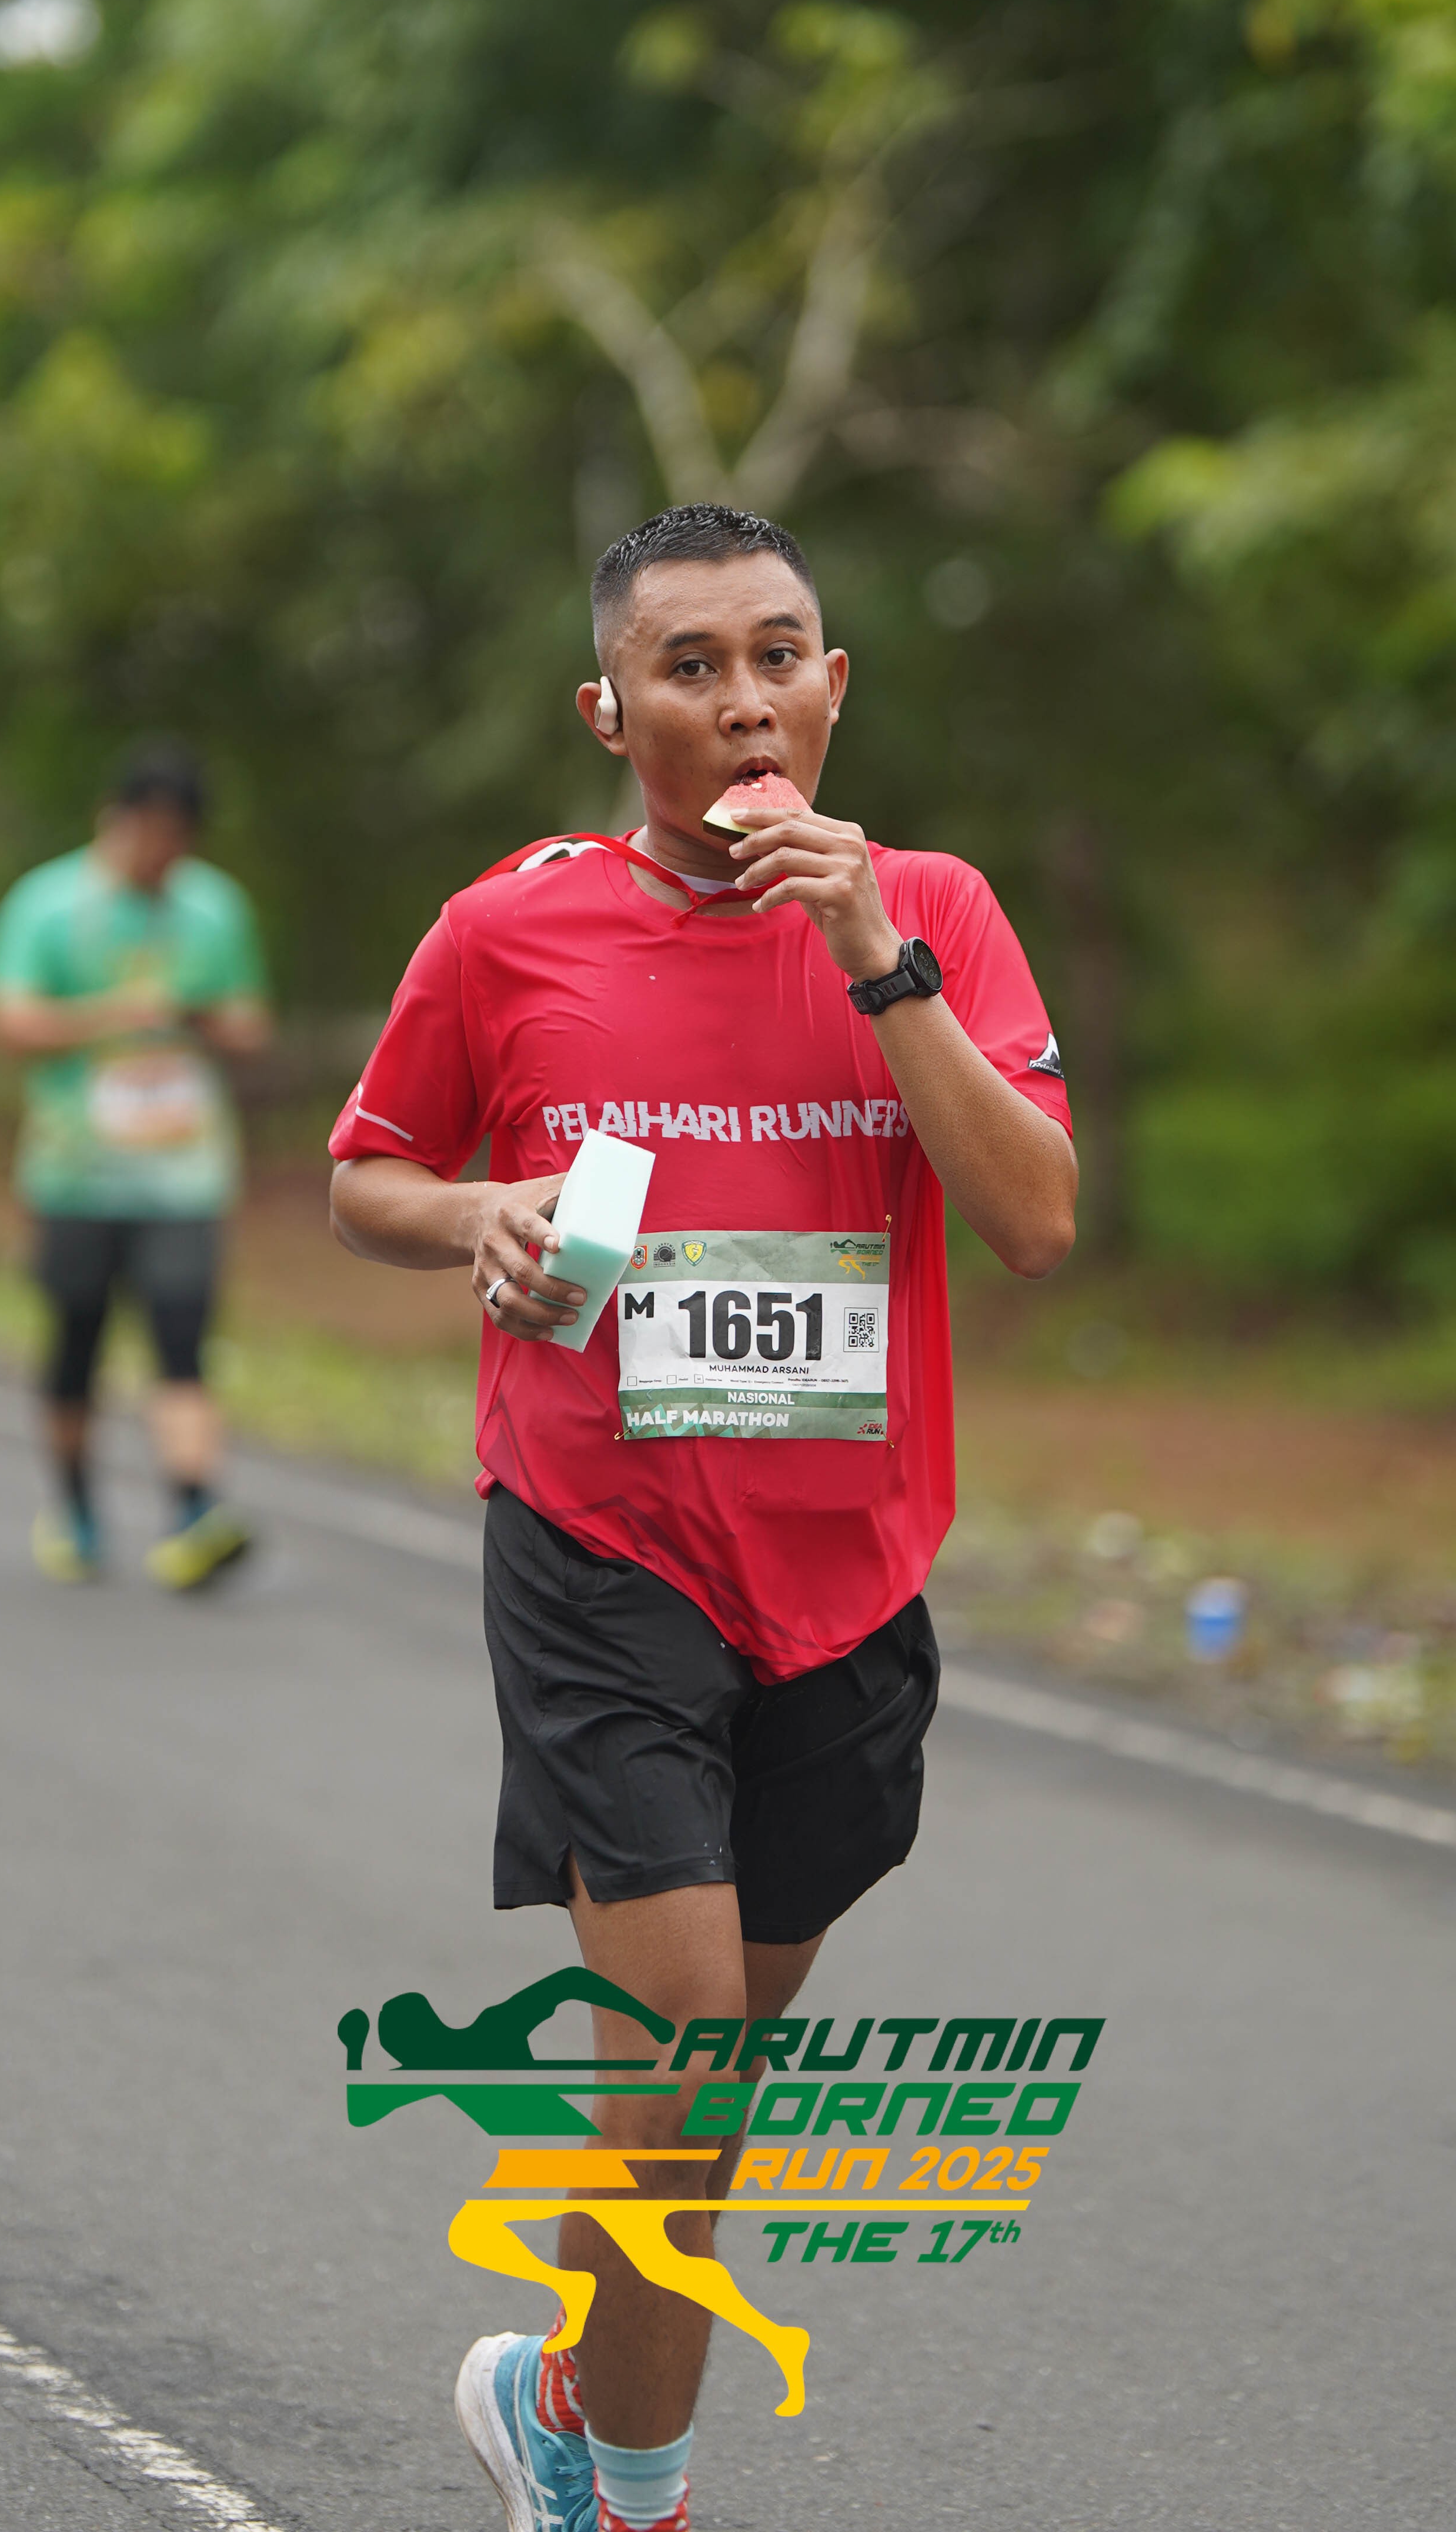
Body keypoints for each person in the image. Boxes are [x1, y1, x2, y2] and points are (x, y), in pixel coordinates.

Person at [328, 503, 1076, 2532]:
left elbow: (1032, 1219)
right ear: (608, 711)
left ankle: (562, 2390)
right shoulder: (508, 928)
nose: (742, 701)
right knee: (674, 2052)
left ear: (832, 688)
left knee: (705, 2091)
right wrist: (478, 1212)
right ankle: (633, 2498)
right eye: (690, 666)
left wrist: (874, 956)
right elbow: (367, 1172)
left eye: (776, 656)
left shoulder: (934, 909)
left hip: (843, 1571)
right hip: (601, 1536)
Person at [0, 740, 272, 1591]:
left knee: (182, 1340)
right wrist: (112, 1017)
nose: (161, 853)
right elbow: (6, 1023)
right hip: (74, 1171)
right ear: (117, 820)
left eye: (179, 838)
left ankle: (194, 1512)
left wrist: (195, 1018)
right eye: (150, 832)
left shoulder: (214, 908)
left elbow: (251, 1026)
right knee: (77, 1342)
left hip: (183, 1173)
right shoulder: (47, 904)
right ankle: (74, 1506)